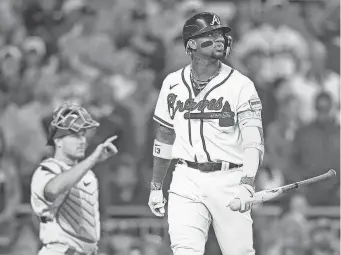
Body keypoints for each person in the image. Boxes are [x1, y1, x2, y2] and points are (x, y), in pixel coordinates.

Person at [148, 12, 264, 255]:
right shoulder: (172, 82)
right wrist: (156, 185)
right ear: (191, 44)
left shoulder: (241, 85)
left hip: (229, 178)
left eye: (220, 34)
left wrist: (247, 182)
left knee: (240, 252)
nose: (220, 39)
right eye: (210, 35)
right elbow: (165, 136)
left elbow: (253, 142)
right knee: (184, 250)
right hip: (185, 177)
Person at [30, 102, 118, 255]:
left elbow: (97, 214)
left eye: (83, 135)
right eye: (75, 135)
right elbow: (53, 190)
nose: (82, 140)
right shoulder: (46, 169)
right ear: (57, 140)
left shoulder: (90, 171)